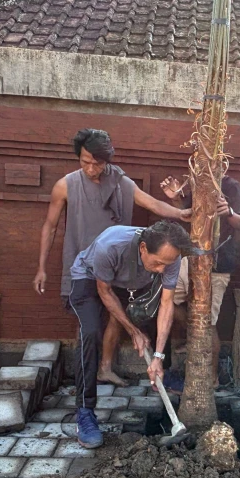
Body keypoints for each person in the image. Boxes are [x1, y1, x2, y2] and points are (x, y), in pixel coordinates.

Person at [33, 129, 191, 386]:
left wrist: (181, 213)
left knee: (118, 316)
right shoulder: (65, 185)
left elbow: (152, 204)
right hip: (84, 264)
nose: (90, 168)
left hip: (119, 264)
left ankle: (105, 368)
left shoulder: (121, 183)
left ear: (106, 161)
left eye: (97, 163)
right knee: (87, 321)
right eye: (85, 161)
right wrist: (41, 267)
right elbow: (49, 227)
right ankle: (85, 377)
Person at [67, 220, 190, 448]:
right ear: (143, 248)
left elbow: (166, 303)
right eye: (158, 263)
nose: (163, 269)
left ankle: (161, 372)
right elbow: (104, 292)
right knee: (90, 332)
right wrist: (133, 331)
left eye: (167, 264)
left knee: (153, 315)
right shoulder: (110, 247)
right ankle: (85, 413)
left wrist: (158, 356)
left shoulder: (171, 258)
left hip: (129, 282)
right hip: (90, 277)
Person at [159, 172, 240, 382]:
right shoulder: (196, 180)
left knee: (208, 324)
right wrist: (177, 199)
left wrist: (229, 212)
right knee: (167, 302)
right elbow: (189, 217)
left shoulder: (231, 185)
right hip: (188, 258)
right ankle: (194, 336)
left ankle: (211, 380)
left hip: (217, 264)